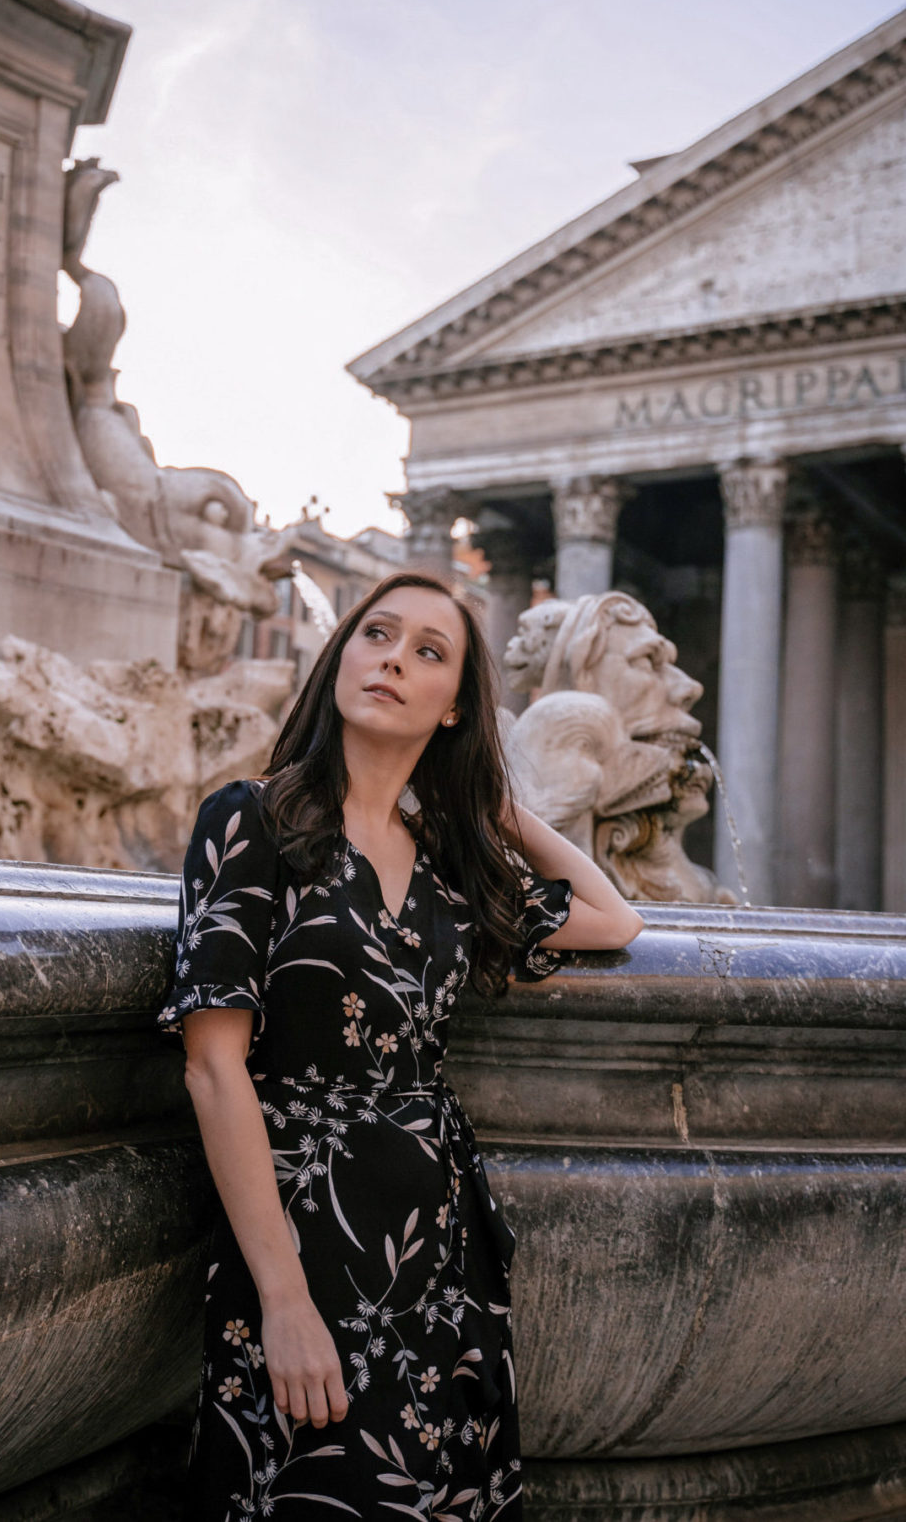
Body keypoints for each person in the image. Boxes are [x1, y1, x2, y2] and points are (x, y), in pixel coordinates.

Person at [157, 571, 643, 1519]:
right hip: (308, 1247)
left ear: (456, 706)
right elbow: (213, 1066)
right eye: (377, 634)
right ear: (340, 655)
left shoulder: (448, 870)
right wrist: (284, 1300)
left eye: (429, 651)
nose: (392, 659)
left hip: (441, 1256)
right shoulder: (252, 820)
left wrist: (494, 806)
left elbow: (612, 918)